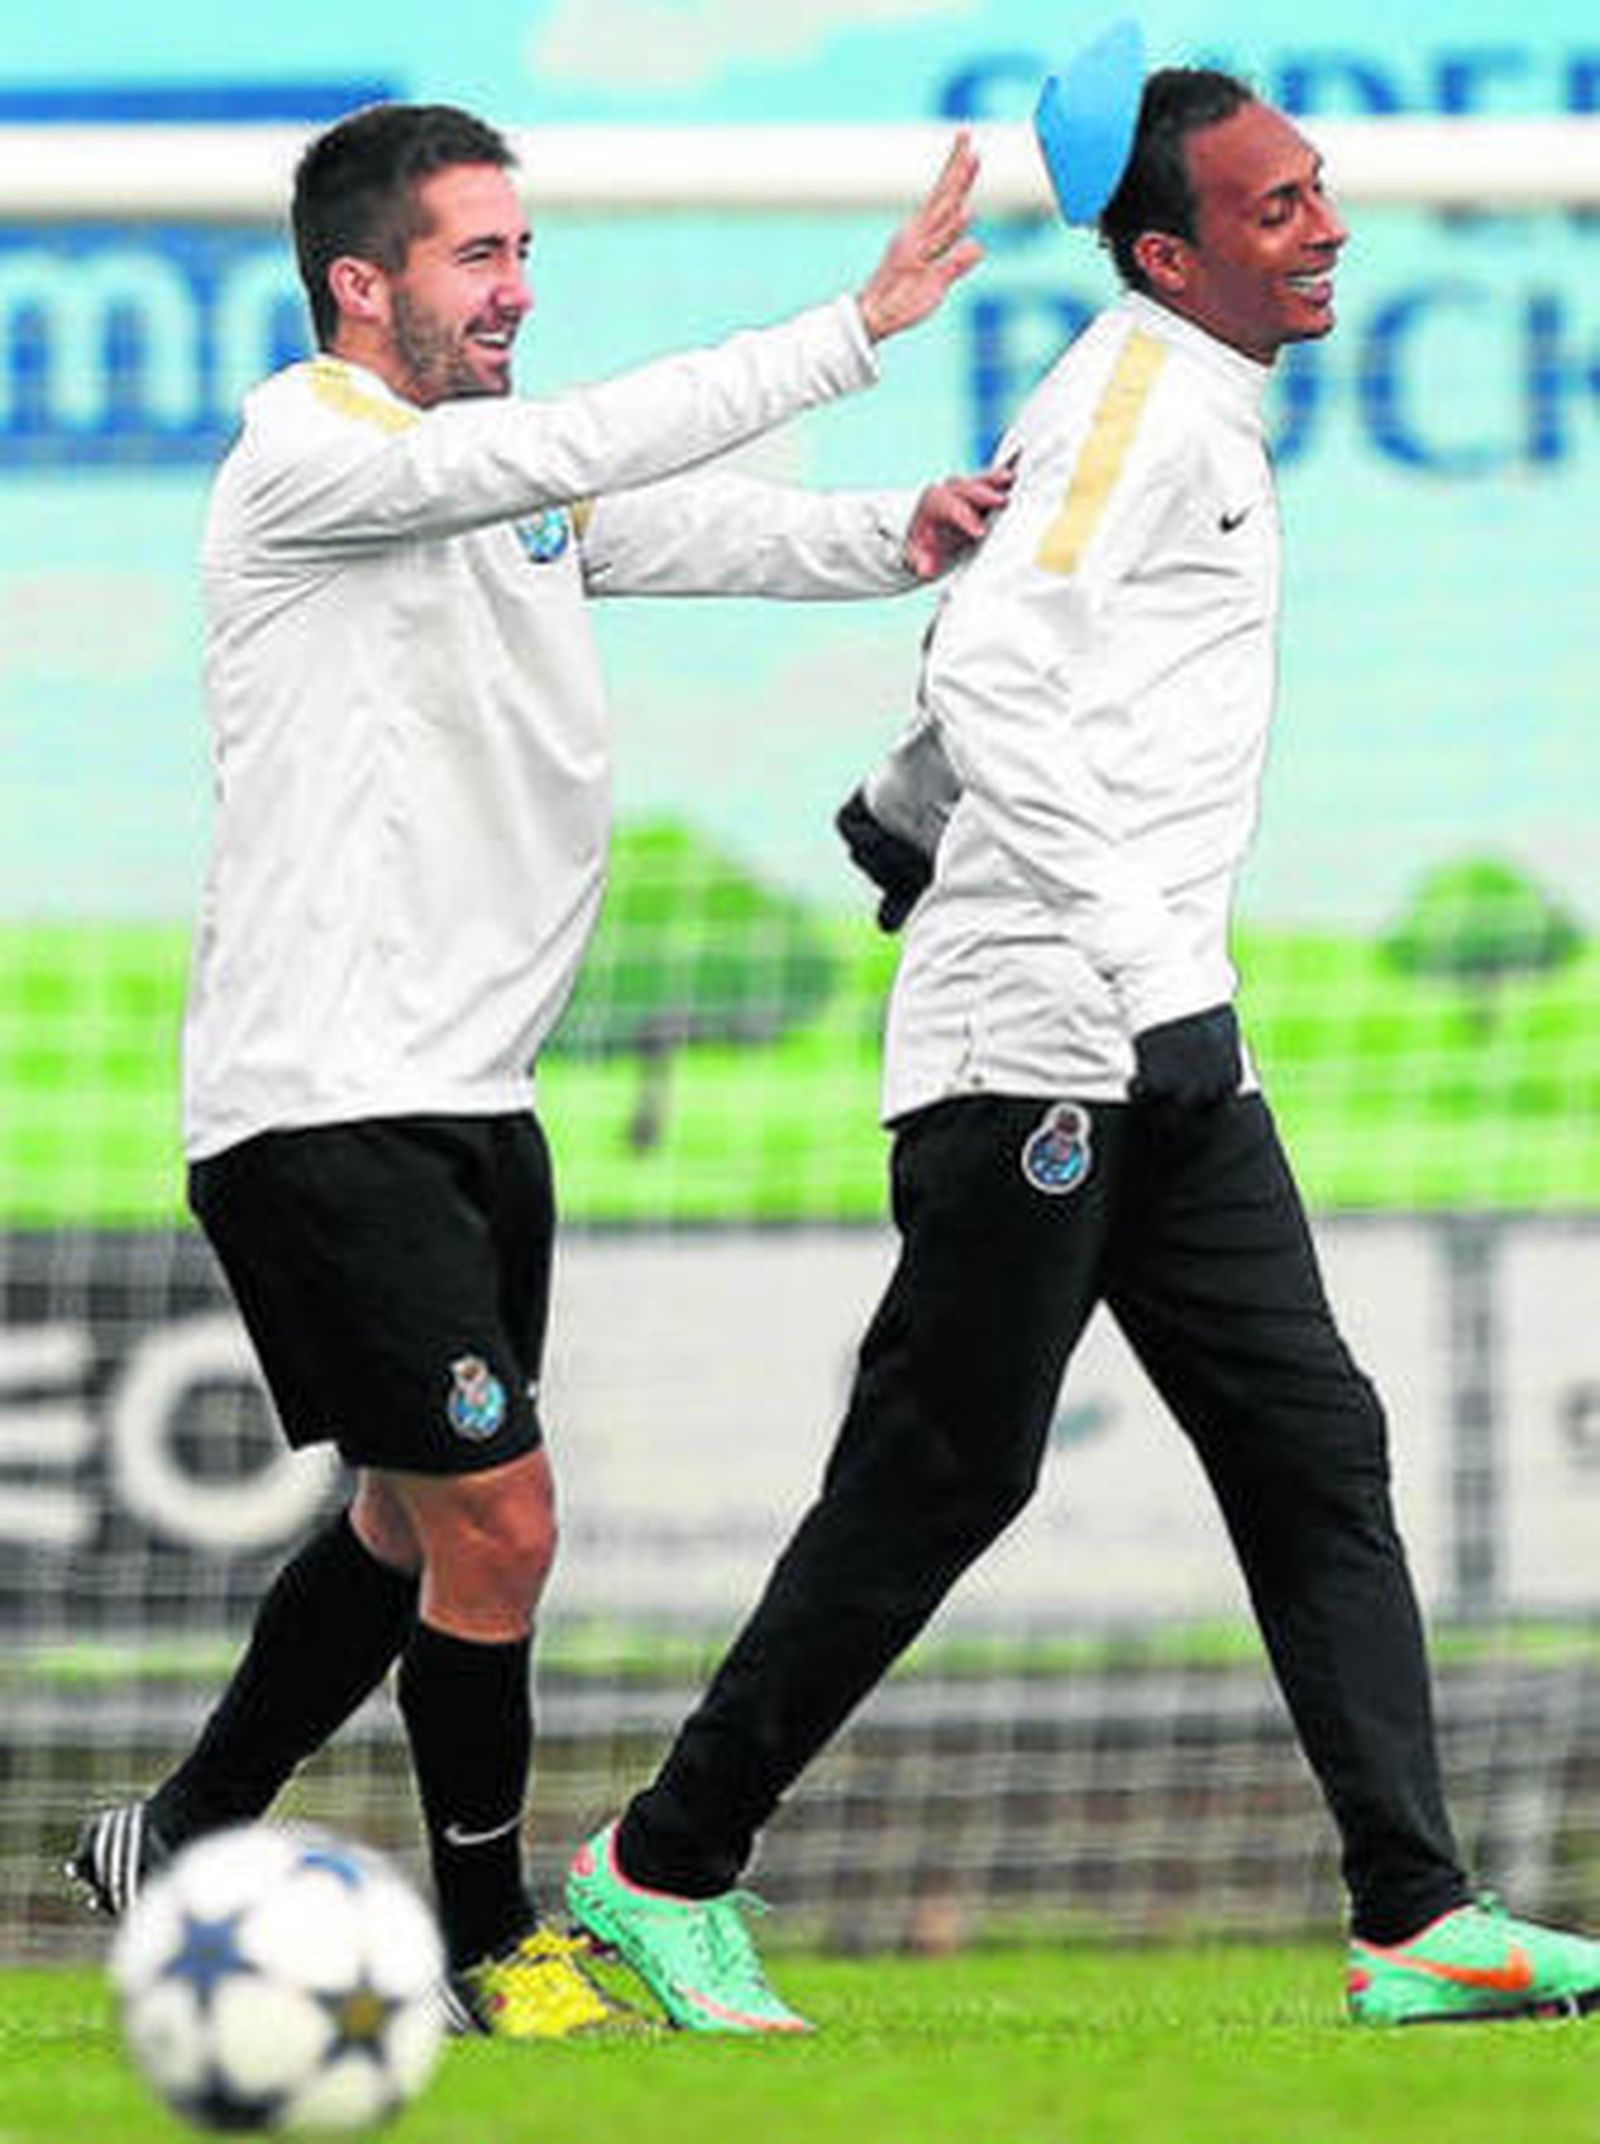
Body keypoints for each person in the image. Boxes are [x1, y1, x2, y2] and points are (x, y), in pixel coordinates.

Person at [565, 68, 1600, 2033]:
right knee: (942, 1473)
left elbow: (1022, 671)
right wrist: (1133, 969)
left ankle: (1413, 1911)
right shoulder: (1134, 401)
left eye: (1317, 188)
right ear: (1162, 253)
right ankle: (654, 1865)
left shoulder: (1176, 400)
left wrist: (898, 803)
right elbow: (999, 658)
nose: (1324, 227)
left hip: (1146, 1036)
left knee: (1312, 1442)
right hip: (1044, 1037)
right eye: (1274, 207)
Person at [66, 99, 1015, 2040]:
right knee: (502, 1520)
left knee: (411, 1527)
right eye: (476, 256)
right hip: (317, 1097)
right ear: (362, 284)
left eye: (521, 253)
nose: (517, 288)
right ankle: (491, 1944)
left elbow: (658, 520)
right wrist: (847, 329)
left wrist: (888, 533)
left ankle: (182, 1834)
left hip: (472, 1100)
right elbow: (573, 449)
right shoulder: (300, 451)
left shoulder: (486, 481)